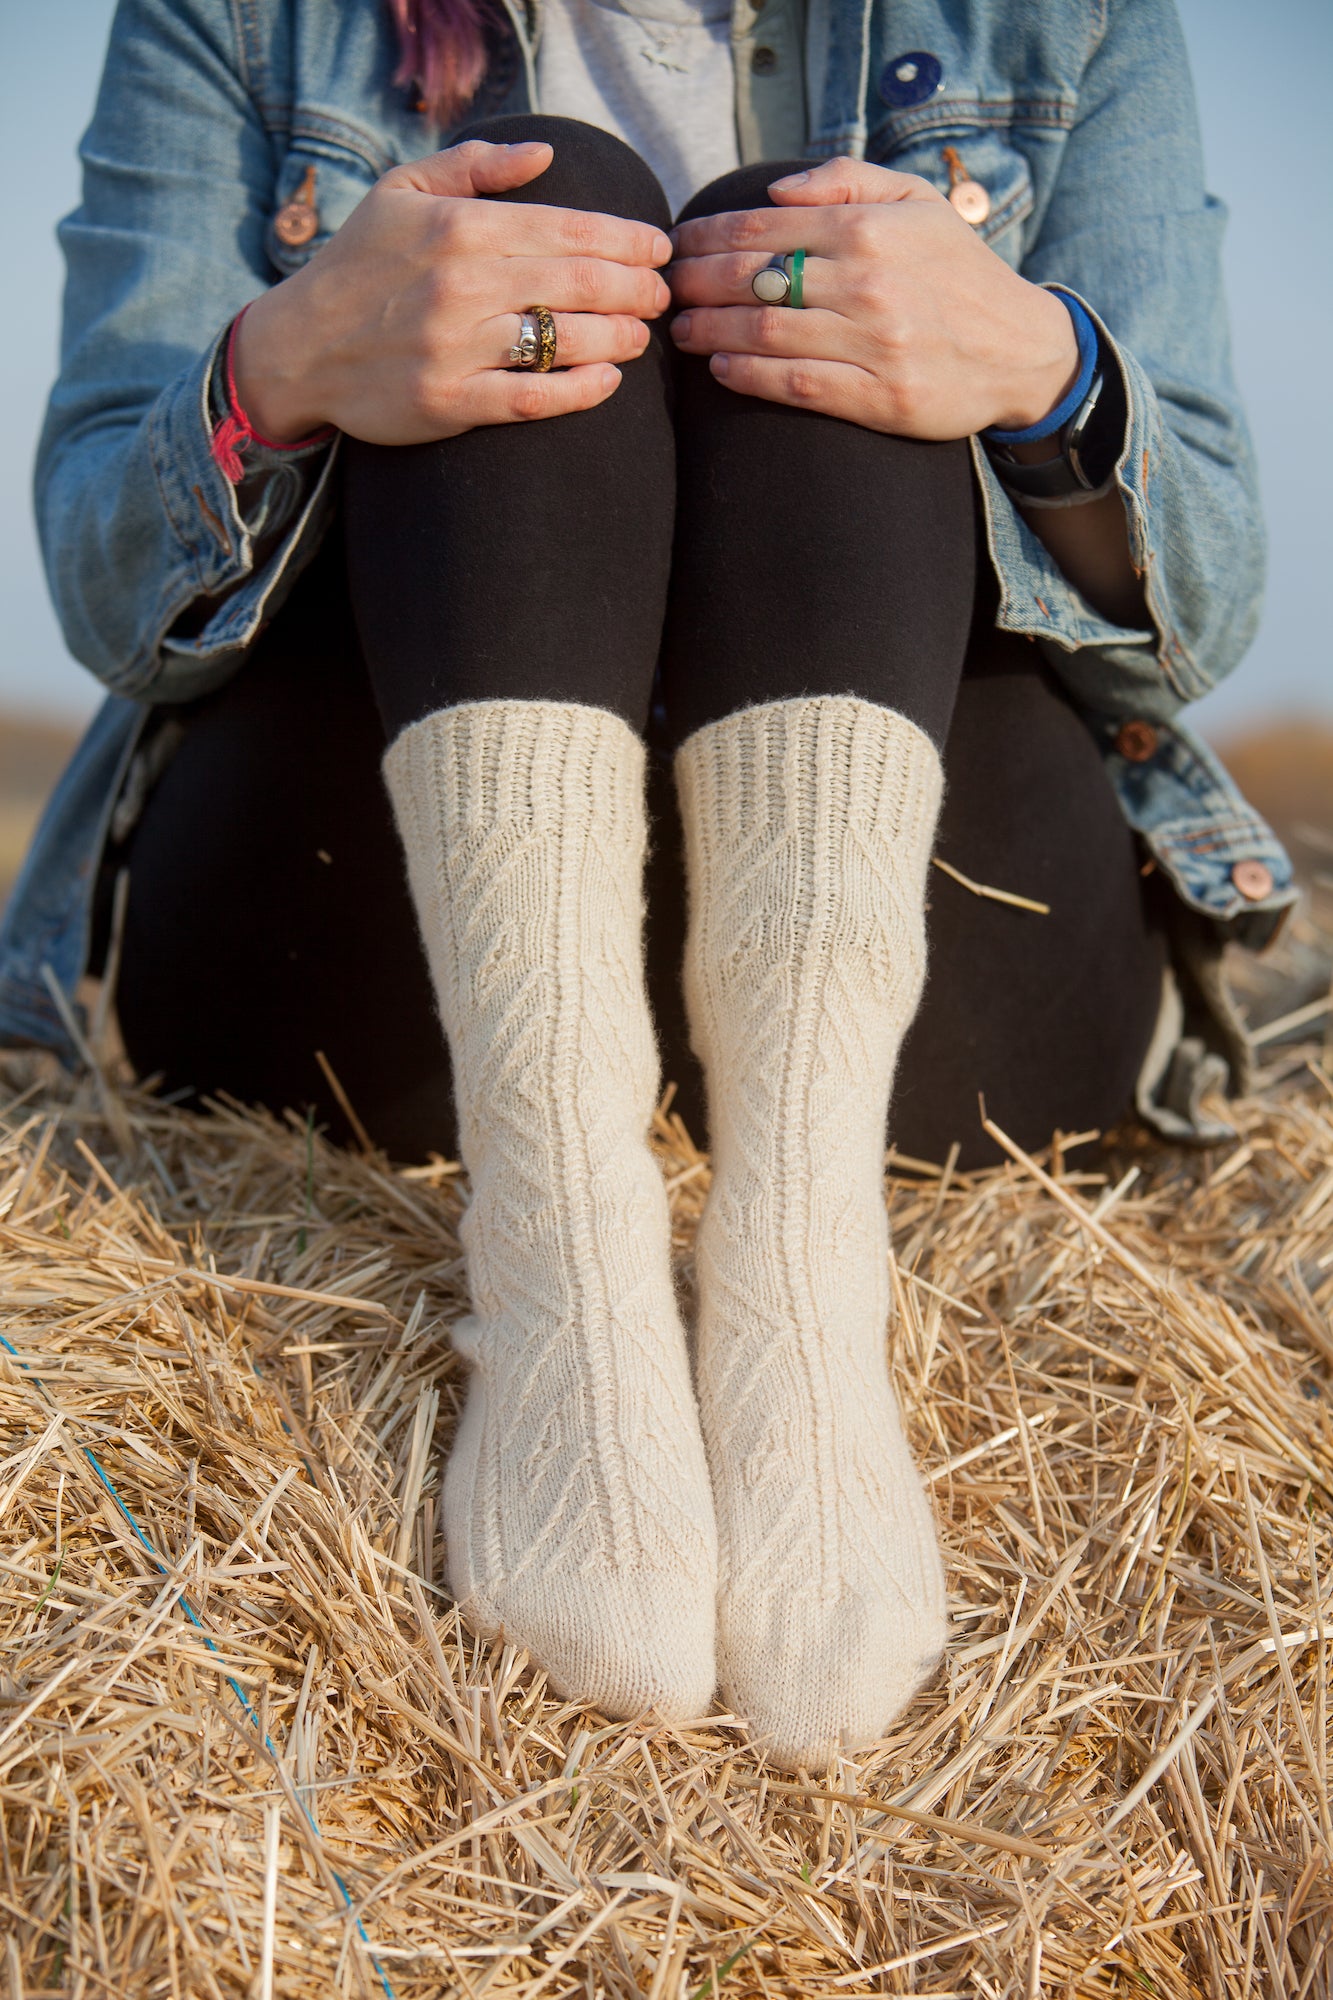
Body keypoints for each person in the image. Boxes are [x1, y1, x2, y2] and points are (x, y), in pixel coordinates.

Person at [0, 0, 1295, 1768]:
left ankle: (799, 1296)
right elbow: (102, 582)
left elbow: (1202, 607)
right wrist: (292, 363)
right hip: (379, 934)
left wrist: (1034, 365)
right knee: (547, 214)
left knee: (816, 247)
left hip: (924, 922)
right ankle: (566, 1276)